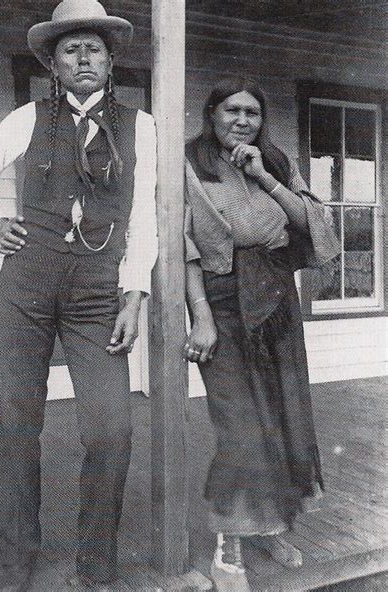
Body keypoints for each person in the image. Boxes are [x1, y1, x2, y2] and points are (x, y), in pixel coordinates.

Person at [0, 1, 157, 590]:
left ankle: (96, 563)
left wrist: (134, 293)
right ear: (54, 63)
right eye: (71, 49)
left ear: (110, 58)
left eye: (93, 47)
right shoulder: (27, 119)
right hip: (27, 285)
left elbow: (144, 216)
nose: (83, 57)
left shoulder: (139, 126)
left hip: (98, 293)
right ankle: (17, 562)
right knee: (20, 424)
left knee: (111, 430)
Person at [183, 79, 340, 591]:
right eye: (232, 110)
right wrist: (201, 316)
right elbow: (183, 245)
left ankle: (267, 526)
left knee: (282, 420)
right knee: (241, 427)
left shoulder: (274, 160)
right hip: (222, 302)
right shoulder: (189, 163)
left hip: (276, 302)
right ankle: (228, 549)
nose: (243, 120)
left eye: (253, 112)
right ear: (212, 114)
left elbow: (314, 228)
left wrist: (266, 179)